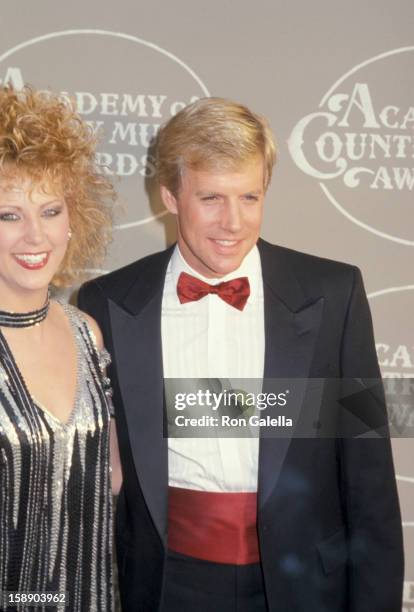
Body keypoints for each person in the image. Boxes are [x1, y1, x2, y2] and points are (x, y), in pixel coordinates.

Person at [78, 98, 404, 612]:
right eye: (210, 198)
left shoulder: (333, 294)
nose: (232, 222)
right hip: (163, 586)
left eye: (249, 197)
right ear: (170, 195)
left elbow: (370, 481)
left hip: (304, 587)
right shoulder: (110, 302)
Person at [0, 86, 117, 611]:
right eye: (8, 215)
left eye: (50, 210)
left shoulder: (87, 334)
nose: (35, 235)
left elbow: (111, 479)